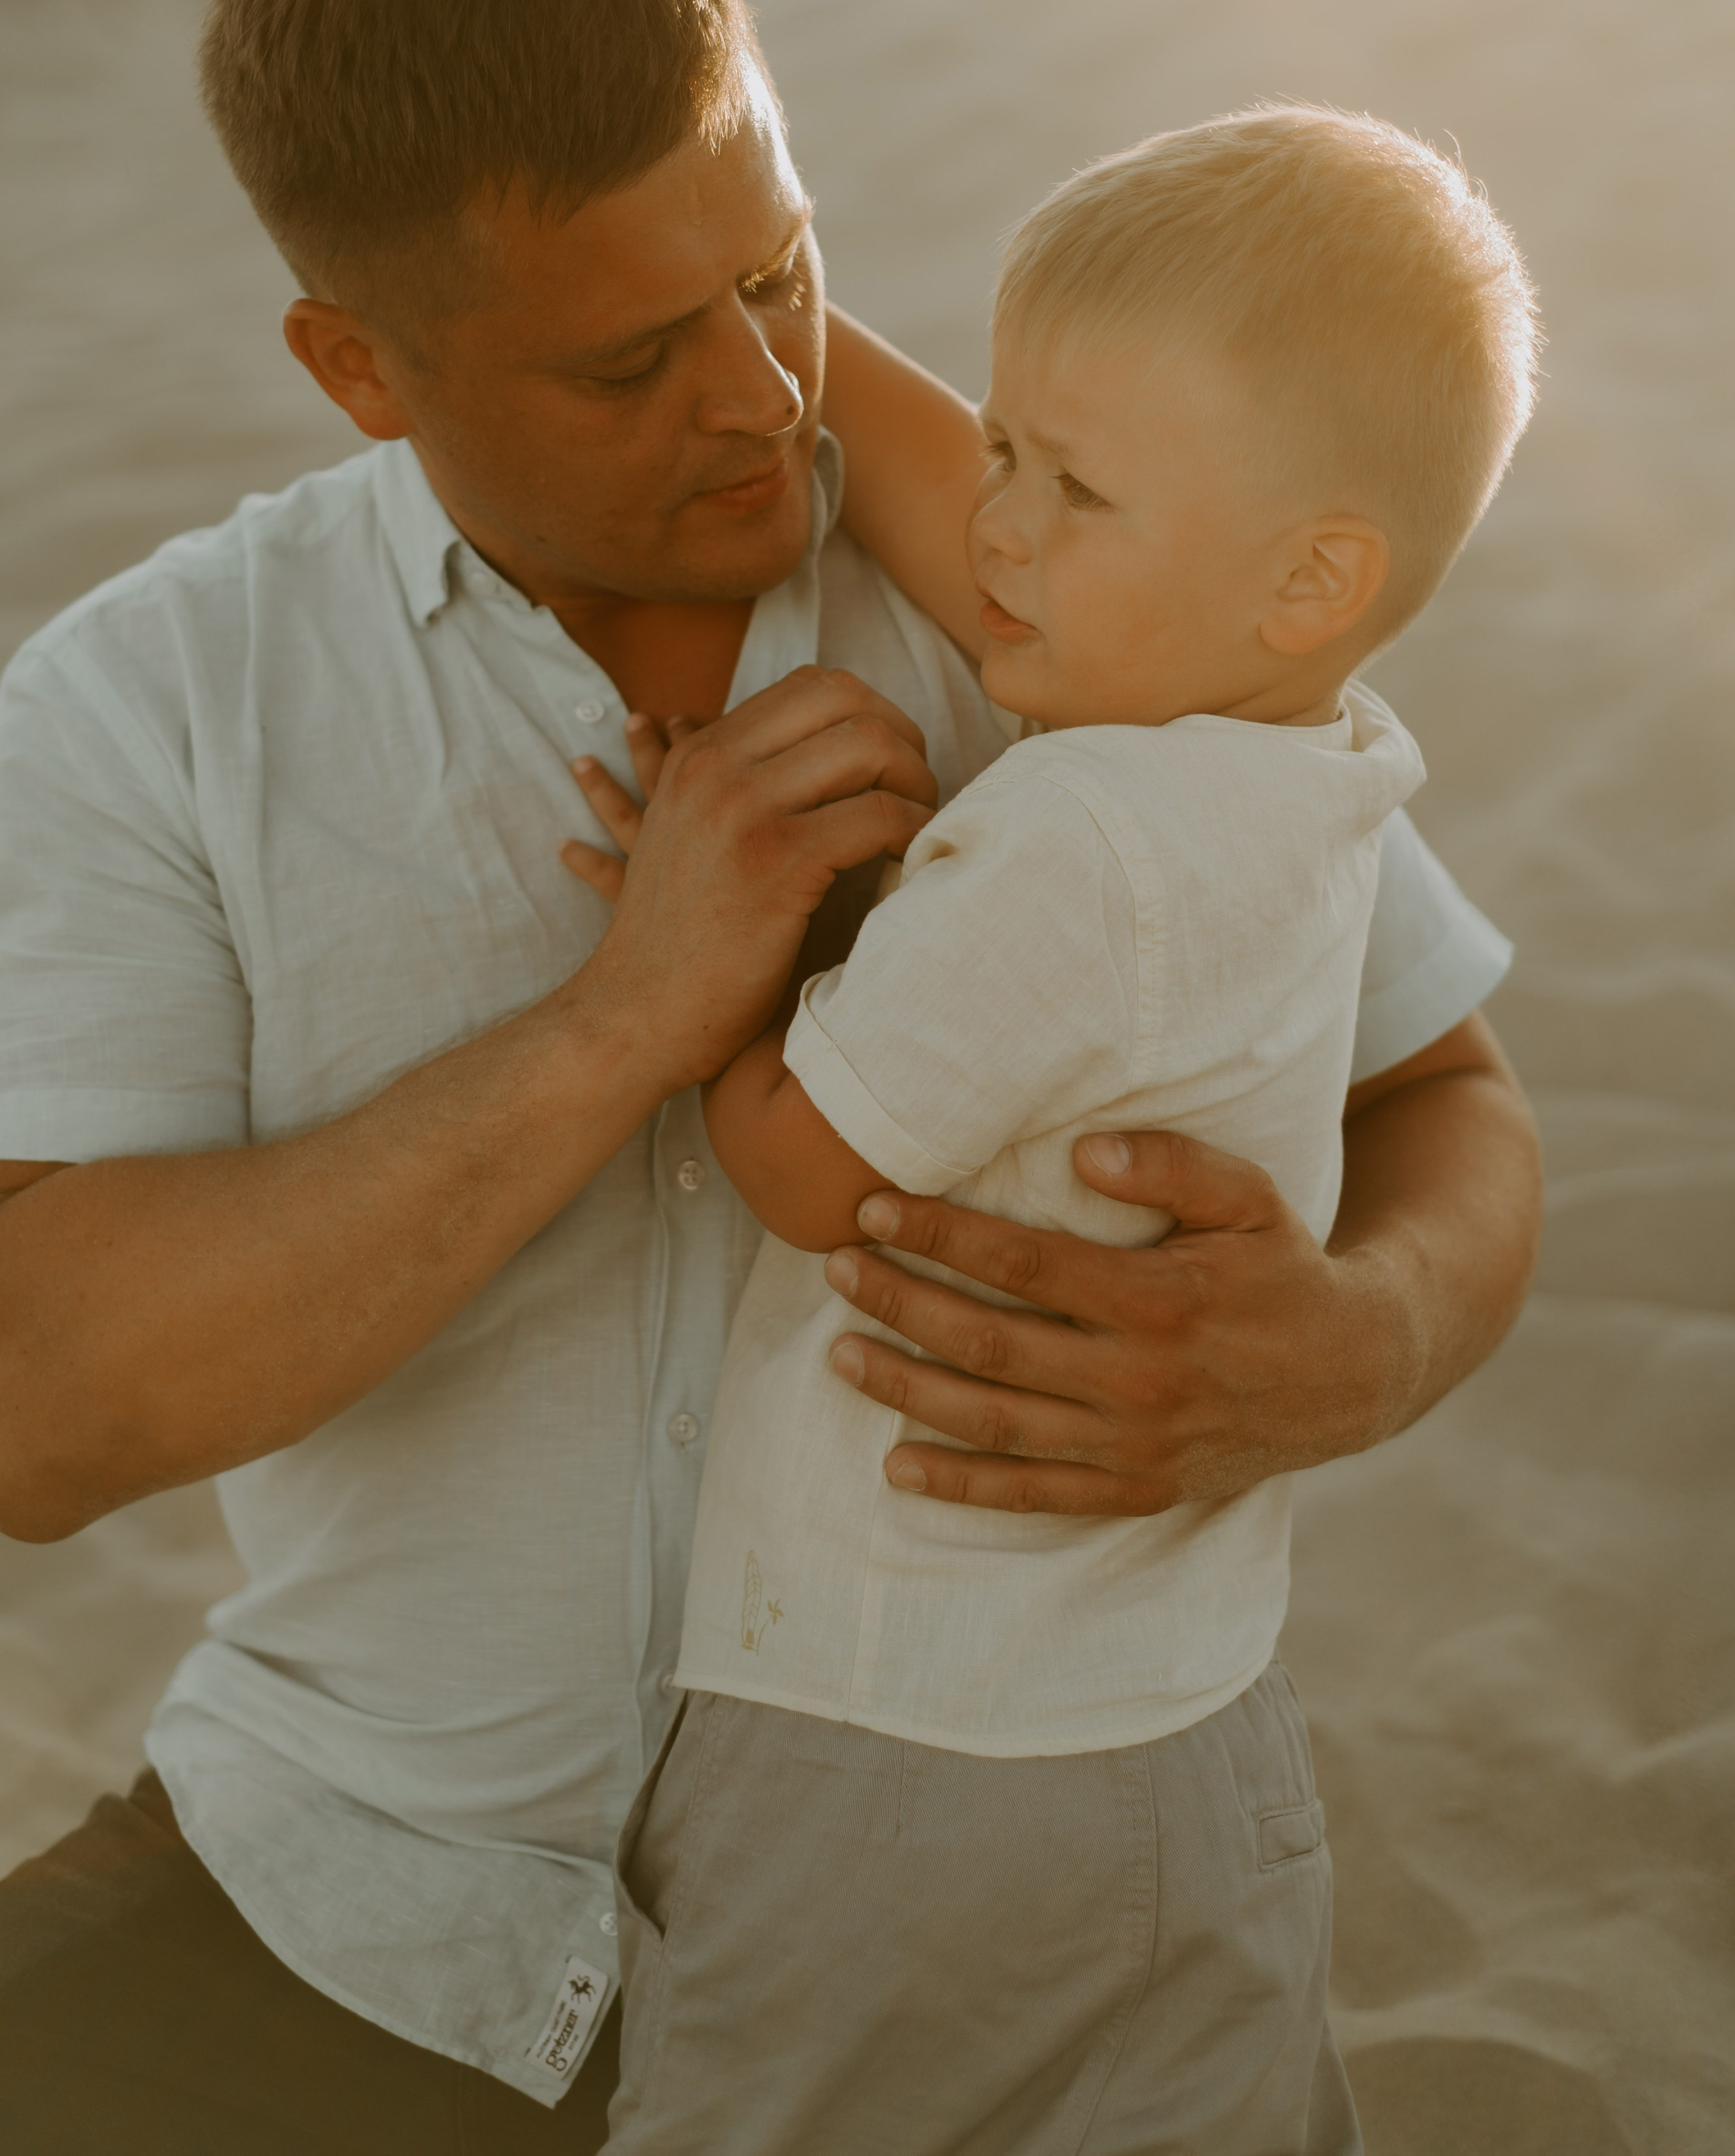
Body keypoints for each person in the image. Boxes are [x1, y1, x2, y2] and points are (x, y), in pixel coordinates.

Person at [0, 0, 1539, 2155]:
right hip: (365, 1885)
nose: (757, 400)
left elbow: (1458, 1100)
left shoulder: (1065, 589)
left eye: (783, 277)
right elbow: (20, 1413)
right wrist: (623, 1022)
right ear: (354, 369)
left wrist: (1369, 1340)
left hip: (1005, 1890)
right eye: (625, 360)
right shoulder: (157, 701)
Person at [593, 107, 1537, 2155]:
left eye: (1074, 488)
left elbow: (806, 1165)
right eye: (999, 450)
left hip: (891, 1743)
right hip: (1195, 1729)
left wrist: (709, 943)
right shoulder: (1331, 781)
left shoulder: (1074, 827)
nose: (992, 529)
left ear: (1314, 580)